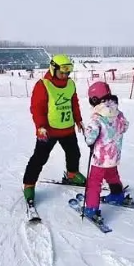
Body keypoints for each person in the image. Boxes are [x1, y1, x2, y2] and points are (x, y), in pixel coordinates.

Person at [22, 54, 85, 207]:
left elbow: (74, 104)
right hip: (48, 131)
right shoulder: (43, 85)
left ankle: (72, 174)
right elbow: (37, 109)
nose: (65, 75)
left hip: (67, 129)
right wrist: (41, 126)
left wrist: (78, 120)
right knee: (39, 159)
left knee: (74, 153)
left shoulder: (70, 84)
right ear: (53, 68)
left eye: (67, 72)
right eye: (62, 72)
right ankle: (29, 185)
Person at [81, 81, 131, 222]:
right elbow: (125, 126)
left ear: (95, 99)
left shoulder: (97, 117)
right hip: (114, 155)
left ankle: (92, 208)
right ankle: (117, 194)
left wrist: (87, 136)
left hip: (100, 158)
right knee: (112, 174)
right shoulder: (118, 113)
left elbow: (90, 137)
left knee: (94, 182)